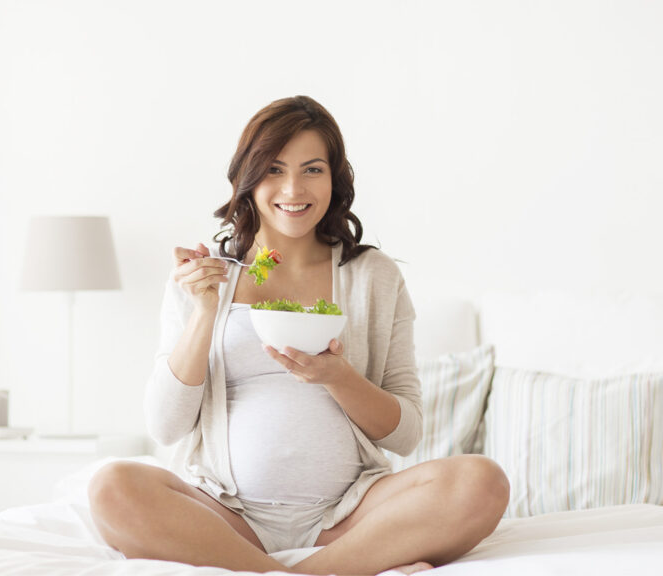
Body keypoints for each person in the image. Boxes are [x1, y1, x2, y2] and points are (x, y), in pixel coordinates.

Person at [88, 95, 510, 575]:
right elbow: (165, 426)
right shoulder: (202, 276)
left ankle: (300, 572)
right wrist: (206, 313)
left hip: (351, 515)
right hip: (227, 515)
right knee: (111, 487)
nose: (293, 188)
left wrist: (337, 376)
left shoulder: (373, 276)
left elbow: (407, 434)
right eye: (273, 169)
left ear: (335, 179)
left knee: (483, 481)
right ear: (246, 179)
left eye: (312, 169)